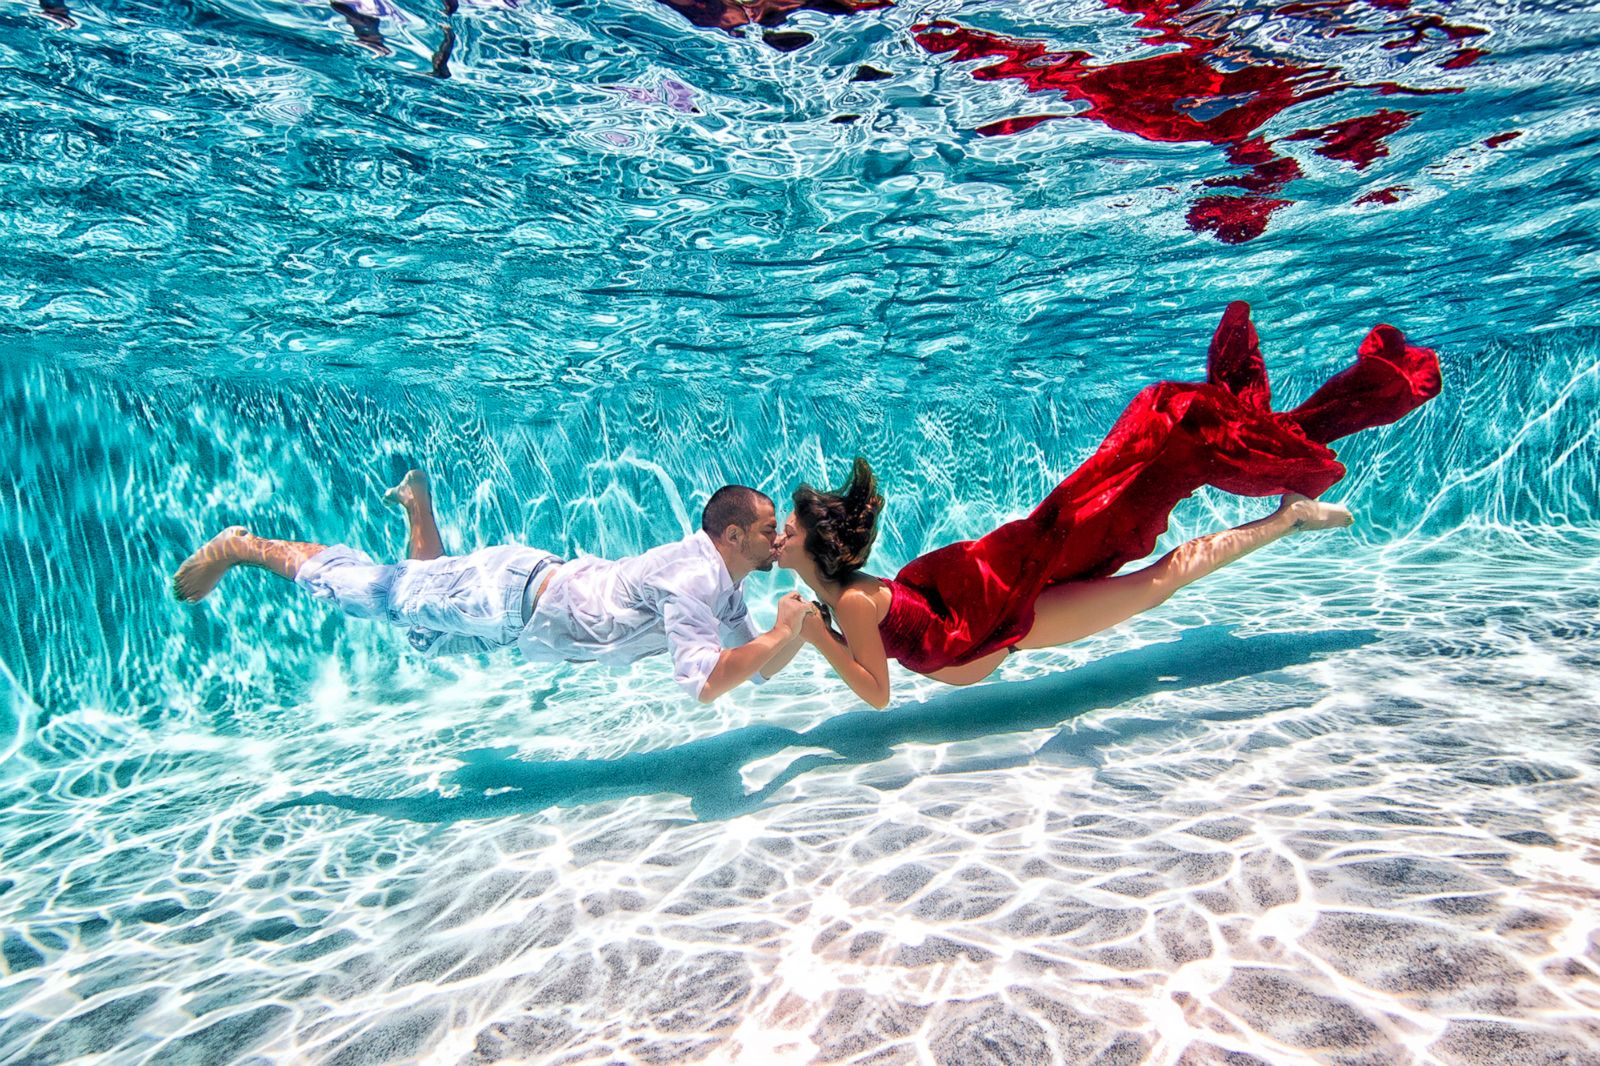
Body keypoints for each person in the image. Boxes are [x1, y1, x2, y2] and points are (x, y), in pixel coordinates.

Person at [774, 301, 1442, 707]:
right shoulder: (844, 598)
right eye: (780, 529)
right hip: (1005, 609)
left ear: (813, 545)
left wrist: (813, 636)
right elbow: (884, 653)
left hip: (1016, 619)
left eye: (784, 529)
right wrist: (816, 629)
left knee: (1160, 579)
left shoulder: (851, 601)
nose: (778, 536)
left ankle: (1286, 516)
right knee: (1157, 508)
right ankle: (1270, 467)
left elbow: (877, 694)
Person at [172, 474, 813, 702]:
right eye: (766, 530)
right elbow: (707, 683)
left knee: (421, 636)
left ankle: (418, 508)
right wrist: (787, 631)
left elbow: (753, 673)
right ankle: (243, 547)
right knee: (363, 593)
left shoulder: (723, 586)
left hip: (516, 619)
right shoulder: (691, 577)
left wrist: (802, 632)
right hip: (508, 595)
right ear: (731, 537)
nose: (776, 539)